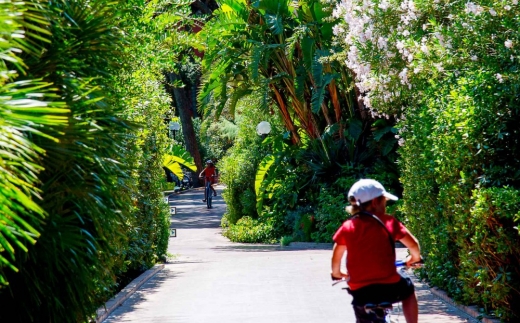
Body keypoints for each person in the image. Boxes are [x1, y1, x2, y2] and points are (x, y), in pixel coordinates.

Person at [331, 179, 422, 323]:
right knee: (408, 291)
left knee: (361, 311)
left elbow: (337, 253)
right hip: (390, 285)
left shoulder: (348, 227)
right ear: (375, 202)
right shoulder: (389, 222)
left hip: (360, 290)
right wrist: (415, 258)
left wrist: (336, 273)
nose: (386, 205)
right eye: (384, 201)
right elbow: (413, 245)